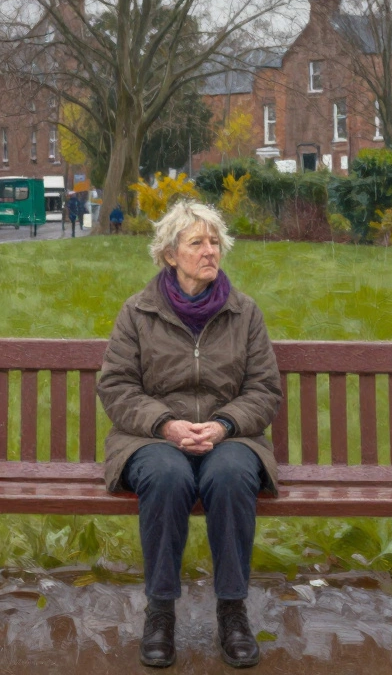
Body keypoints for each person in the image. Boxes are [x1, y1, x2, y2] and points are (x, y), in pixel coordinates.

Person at [97, 200, 281, 669]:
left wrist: (223, 426)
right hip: (152, 439)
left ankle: (232, 611)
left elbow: (264, 389)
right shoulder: (137, 312)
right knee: (166, 476)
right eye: (196, 242)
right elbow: (116, 386)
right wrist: (166, 424)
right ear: (170, 254)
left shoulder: (245, 313)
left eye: (215, 241)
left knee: (233, 475)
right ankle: (160, 612)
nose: (209, 251)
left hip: (231, 438)